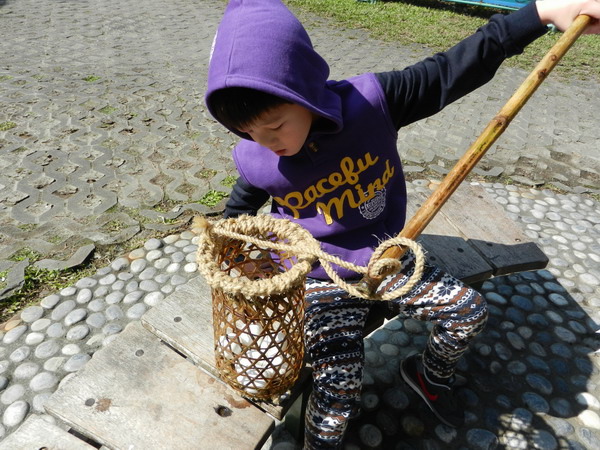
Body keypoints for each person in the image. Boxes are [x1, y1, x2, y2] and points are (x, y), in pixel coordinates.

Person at [204, 0, 600, 447]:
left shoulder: (373, 103)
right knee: (337, 397)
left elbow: (453, 69)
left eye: (274, 125)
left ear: (305, 93)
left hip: (388, 255)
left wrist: (543, 12)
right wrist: (233, 256)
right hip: (319, 279)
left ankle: (427, 376)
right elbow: (235, 215)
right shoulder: (256, 157)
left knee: (468, 311)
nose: (266, 142)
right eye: (248, 132)